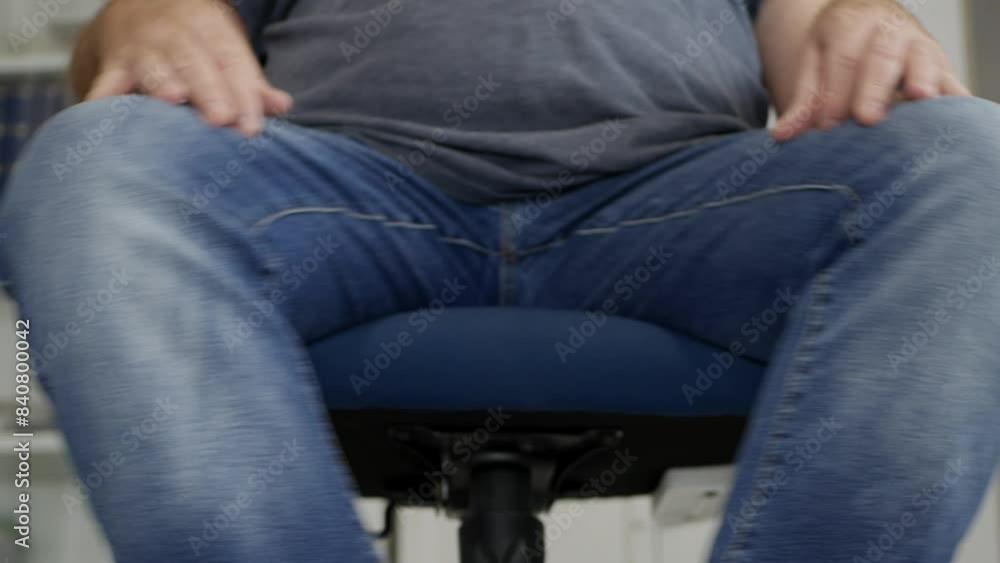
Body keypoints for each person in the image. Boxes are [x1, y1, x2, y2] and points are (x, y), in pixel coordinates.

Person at [1, 0, 998, 561]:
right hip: (343, 203)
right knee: (95, 155)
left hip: (678, 213)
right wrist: (142, 16)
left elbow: (812, 25)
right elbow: (126, 38)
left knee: (970, 157)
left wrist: (864, 19)